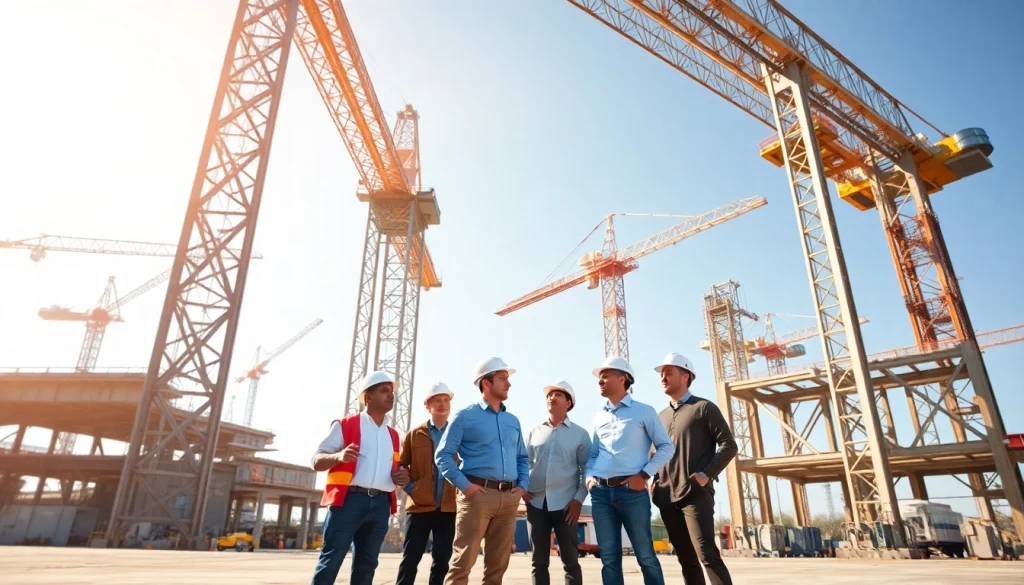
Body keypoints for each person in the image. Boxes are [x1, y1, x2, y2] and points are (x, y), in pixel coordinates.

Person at [308, 371, 411, 585]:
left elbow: (392, 471)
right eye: (384, 390)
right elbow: (316, 460)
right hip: (349, 502)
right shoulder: (345, 425)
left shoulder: (393, 435)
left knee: (367, 564)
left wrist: (400, 476)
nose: (390, 395)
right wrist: (339, 456)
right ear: (368, 397)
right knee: (331, 560)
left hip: (381, 504)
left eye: (391, 392)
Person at [435, 356, 529, 585]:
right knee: (462, 563)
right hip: (477, 497)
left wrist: (522, 487)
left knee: (498, 566)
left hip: (508, 500)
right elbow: (443, 456)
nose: (508, 384)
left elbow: (522, 458)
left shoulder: (513, 420)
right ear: (486, 383)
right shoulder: (465, 417)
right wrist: (466, 487)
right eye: (502, 379)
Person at [585, 356, 675, 585]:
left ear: (622, 378)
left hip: (632, 493)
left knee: (645, 556)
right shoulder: (599, 417)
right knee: (609, 558)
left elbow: (666, 447)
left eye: (605, 375)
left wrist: (644, 475)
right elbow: (593, 454)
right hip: (601, 494)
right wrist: (589, 478)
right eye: (599, 377)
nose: (600, 381)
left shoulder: (644, 411)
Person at [650, 352, 738, 585]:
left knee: (706, 553)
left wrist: (705, 474)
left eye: (669, 372)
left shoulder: (704, 408)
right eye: (661, 373)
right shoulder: (660, 416)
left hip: (695, 494)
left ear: (686, 375)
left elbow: (729, 445)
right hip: (666, 496)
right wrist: (654, 480)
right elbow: (654, 453)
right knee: (685, 558)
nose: (663, 377)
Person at [526, 380, 591, 585]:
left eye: (558, 395)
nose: (551, 398)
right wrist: (521, 490)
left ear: (569, 403)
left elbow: (586, 470)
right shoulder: (533, 432)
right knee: (538, 562)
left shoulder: (580, 434)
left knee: (570, 561)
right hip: (535, 504)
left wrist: (578, 500)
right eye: (549, 396)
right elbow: (523, 464)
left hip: (566, 506)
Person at [396, 382, 459, 585]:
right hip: (419, 507)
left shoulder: (459, 434)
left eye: (446, 400)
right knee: (411, 558)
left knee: (442, 560)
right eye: (437, 401)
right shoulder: (414, 435)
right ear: (427, 406)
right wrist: (412, 489)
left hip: (449, 507)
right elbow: (401, 467)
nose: (442, 404)